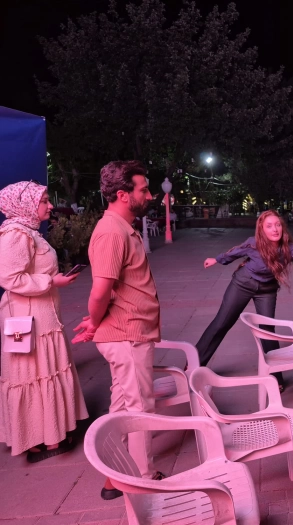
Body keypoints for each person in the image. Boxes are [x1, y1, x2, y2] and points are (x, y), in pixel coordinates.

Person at [72, 161, 165, 500]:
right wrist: (95, 322)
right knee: (140, 410)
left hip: (128, 332)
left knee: (123, 409)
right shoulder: (112, 231)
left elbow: (112, 289)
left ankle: (113, 477)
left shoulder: (122, 228)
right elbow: (100, 291)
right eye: (144, 189)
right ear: (124, 195)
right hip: (127, 335)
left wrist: (95, 321)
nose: (150, 195)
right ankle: (143, 480)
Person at [196, 210, 293, 385]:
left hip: (267, 289)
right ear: (262, 229)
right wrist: (216, 259)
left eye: (278, 225)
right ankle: (194, 365)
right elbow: (234, 253)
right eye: (269, 226)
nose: (275, 229)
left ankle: (275, 378)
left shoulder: (289, 248)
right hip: (243, 284)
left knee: (267, 331)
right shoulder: (253, 243)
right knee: (222, 322)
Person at [0, 181, 88, 462]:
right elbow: (9, 278)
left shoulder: (29, 231)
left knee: (42, 371)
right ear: (26, 204)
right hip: (26, 320)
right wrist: (51, 281)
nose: (50, 206)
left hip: (40, 315)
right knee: (31, 372)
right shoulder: (15, 234)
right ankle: (40, 439)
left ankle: (49, 434)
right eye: (45, 201)